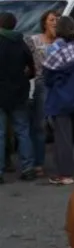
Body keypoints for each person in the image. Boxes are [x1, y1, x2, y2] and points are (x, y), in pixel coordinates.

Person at [42, 16, 74, 185]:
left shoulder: (54, 50)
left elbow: (47, 77)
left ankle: (66, 174)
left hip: (60, 99)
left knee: (63, 138)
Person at [0, 13, 37, 184]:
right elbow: (32, 68)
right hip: (19, 93)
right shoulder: (21, 43)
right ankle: (28, 168)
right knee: (23, 131)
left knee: (0, 134)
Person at [27, 9, 59, 180]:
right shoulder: (34, 40)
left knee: (59, 125)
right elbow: (25, 59)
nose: (55, 22)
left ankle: (61, 163)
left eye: (57, 20)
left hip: (59, 86)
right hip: (42, 85)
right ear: (44, 23)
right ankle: (38, 163)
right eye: (52, 19)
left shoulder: (62, 42)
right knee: (39, 125)